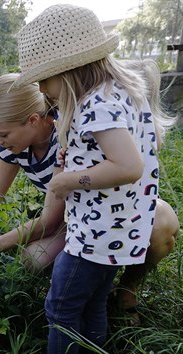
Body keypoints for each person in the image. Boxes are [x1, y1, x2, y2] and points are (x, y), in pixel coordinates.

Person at [12, 5, 176, 352]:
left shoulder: (96, 106)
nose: (42, 89)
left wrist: (69, 180)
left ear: (69, 71)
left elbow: (128, 166)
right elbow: (130, 151)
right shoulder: (118, 93)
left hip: (93, 237)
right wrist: (73, 154)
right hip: (121, 231)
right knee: (93, 305)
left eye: (44, 78)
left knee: (61, 307)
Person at [0, 71, 179, 316]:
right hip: (75, 216)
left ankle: (127, 288)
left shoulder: (68, 133)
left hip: (115, 208)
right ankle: (89, 282)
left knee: (161, 225)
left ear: (33, 120)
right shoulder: (15, 146)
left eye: (2, 134)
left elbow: (49, 222)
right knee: (34, 259)